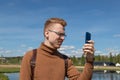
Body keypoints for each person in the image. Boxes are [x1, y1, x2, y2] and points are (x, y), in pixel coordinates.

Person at [20, 17, 95, 80]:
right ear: (47, 33)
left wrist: (89, 61)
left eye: (64, 35)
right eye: (60, 34)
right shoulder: (30, 56)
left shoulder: (65, 60)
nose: (63, 38)